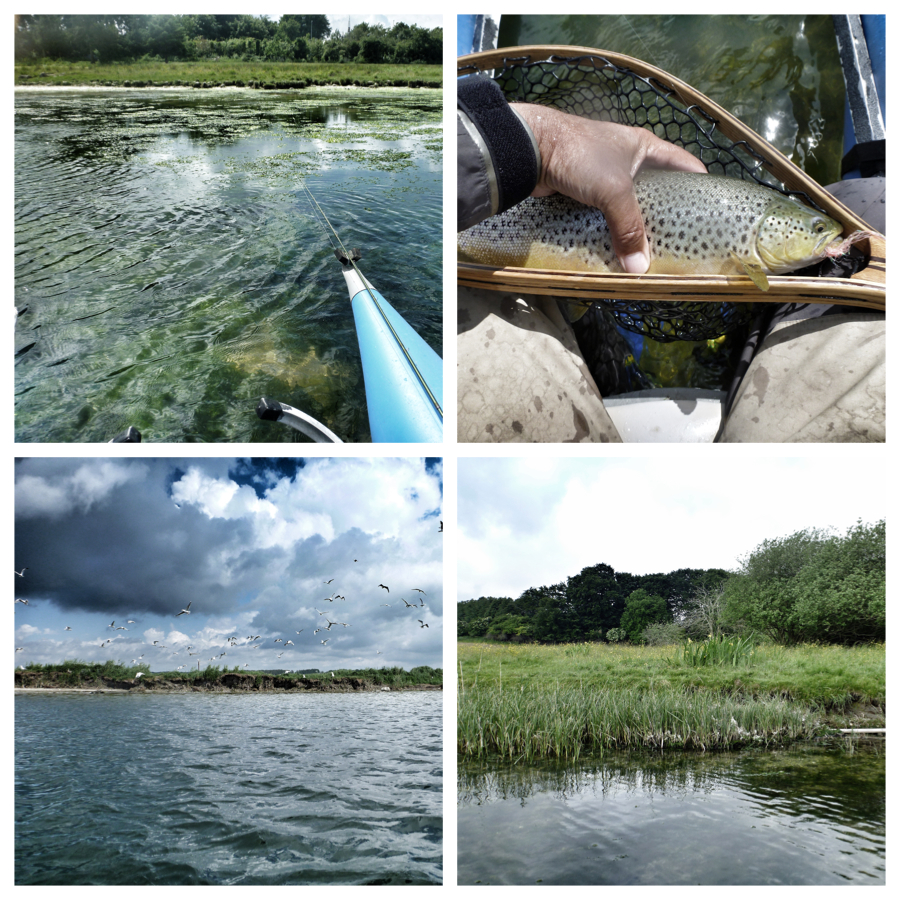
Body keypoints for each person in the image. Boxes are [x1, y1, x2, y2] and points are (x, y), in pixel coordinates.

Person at [457, 74, 885, 443]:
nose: (827, 236)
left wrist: (535, 140)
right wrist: (540, 141)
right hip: (504, 233)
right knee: (867, 201)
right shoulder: (755, 265)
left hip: (494, 220)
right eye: (813, 230)